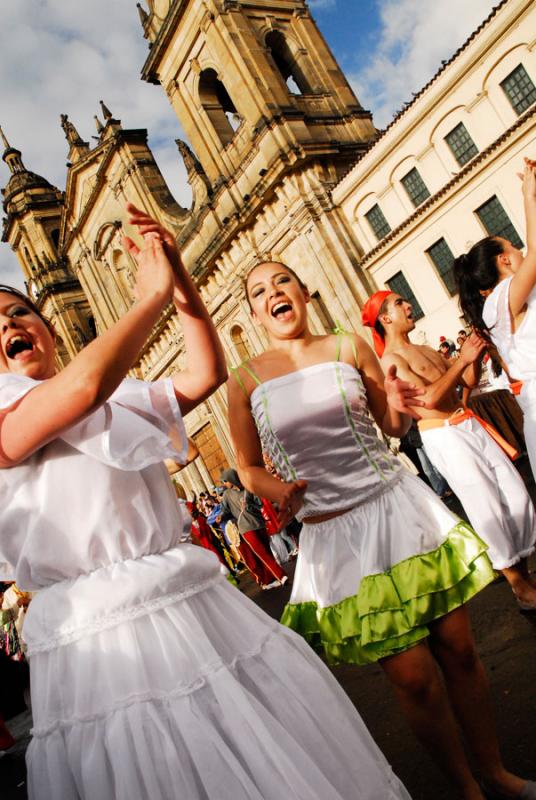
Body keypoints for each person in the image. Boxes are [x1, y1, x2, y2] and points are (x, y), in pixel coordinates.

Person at [0, 209, 413, 800]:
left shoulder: (109, 398)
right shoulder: (12, 408)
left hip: (187, 598)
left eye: (20, 311)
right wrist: (149, 299)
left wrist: (180, 282)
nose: (10, 323)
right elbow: (81, 388)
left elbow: (203, 374)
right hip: (102, 635)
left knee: (261, 740)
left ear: (49, 330)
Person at [227, 259, 536, 799]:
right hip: (337, 536)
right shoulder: (245, 379)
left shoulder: (349, 346)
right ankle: (466, 789)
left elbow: (390, 425)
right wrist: (278, 492)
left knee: (460, 649)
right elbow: (248, 468)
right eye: (260, 291)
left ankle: (495, 773)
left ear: (303, 292)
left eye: (283, 281)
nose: (274, 292)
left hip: (397, 508)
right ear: (253, 312)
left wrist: (396, 405)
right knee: (413, 677)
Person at [365, 289, 536, 613]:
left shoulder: (424, 348)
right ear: (385, 318)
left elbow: (466, 378)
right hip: (443, 433)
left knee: (517, 495)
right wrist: (461, 360)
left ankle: (524, 573)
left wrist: (477, 351)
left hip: (467, 422)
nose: (408, 305)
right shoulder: (392, 359)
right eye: (400, 303)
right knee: (486, 505)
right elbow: (428, 399)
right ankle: (517, 583)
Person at [455, 160, 536, 483]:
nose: (520, 254)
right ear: (503, 260)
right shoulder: (498, 301)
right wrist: (527, 196)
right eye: (515, 251)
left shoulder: (514, 294)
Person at [219, 468, 288, 589]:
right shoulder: (226, 495)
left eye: (225, 481)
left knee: (267, 551)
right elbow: (225, 511)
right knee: (262, 553)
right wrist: (221, 517)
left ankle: (268, 580)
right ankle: (281, 575)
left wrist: (249, 505)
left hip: (259, 524)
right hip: (245, 529)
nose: (224, 484)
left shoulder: (247, 489)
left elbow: (259, 504)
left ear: (231, 479)